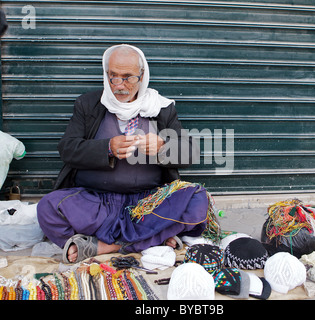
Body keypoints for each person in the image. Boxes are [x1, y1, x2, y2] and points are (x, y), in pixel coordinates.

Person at [37, 44, 212, 263]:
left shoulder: (161, 108)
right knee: (47, 208)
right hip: (96, 202)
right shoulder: (88, 105)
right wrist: (107, 147)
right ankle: (152, 238)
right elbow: (68, 149)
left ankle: (103, 246)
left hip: (147, 203)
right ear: (106, 74)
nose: (119, 85)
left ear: (142, 76)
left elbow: (191, 153)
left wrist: (162, 147)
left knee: (198, 199)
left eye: (128, 77)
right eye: (113, 77)